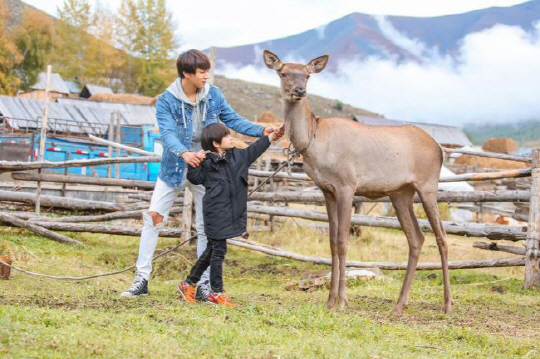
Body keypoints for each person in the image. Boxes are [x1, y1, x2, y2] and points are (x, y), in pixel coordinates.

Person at [121, 49, 282, 299]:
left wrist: (261, 130)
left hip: (209, 170)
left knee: (207, 227)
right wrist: (184, 153)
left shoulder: (214, 95)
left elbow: (233, 120)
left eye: (208, 70)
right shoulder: (166, 99)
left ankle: (203, 285)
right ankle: (141, 279)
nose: (207, 75)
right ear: (187, 73)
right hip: (174, 167)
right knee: (152, 217)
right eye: (202, 71)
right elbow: (166, 133)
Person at [178, 123, 283, 306]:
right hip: (214, 213)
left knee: (211, 251)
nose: (231, 138)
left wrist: (271, 137)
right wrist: (196, 162)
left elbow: (256, 148)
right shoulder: (206, 163)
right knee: (218, 251)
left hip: (231, 213)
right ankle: (217, 292)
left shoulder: (239, 157)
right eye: (226, 136)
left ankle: (188, 284)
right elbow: (195, 178)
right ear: (216, 143)